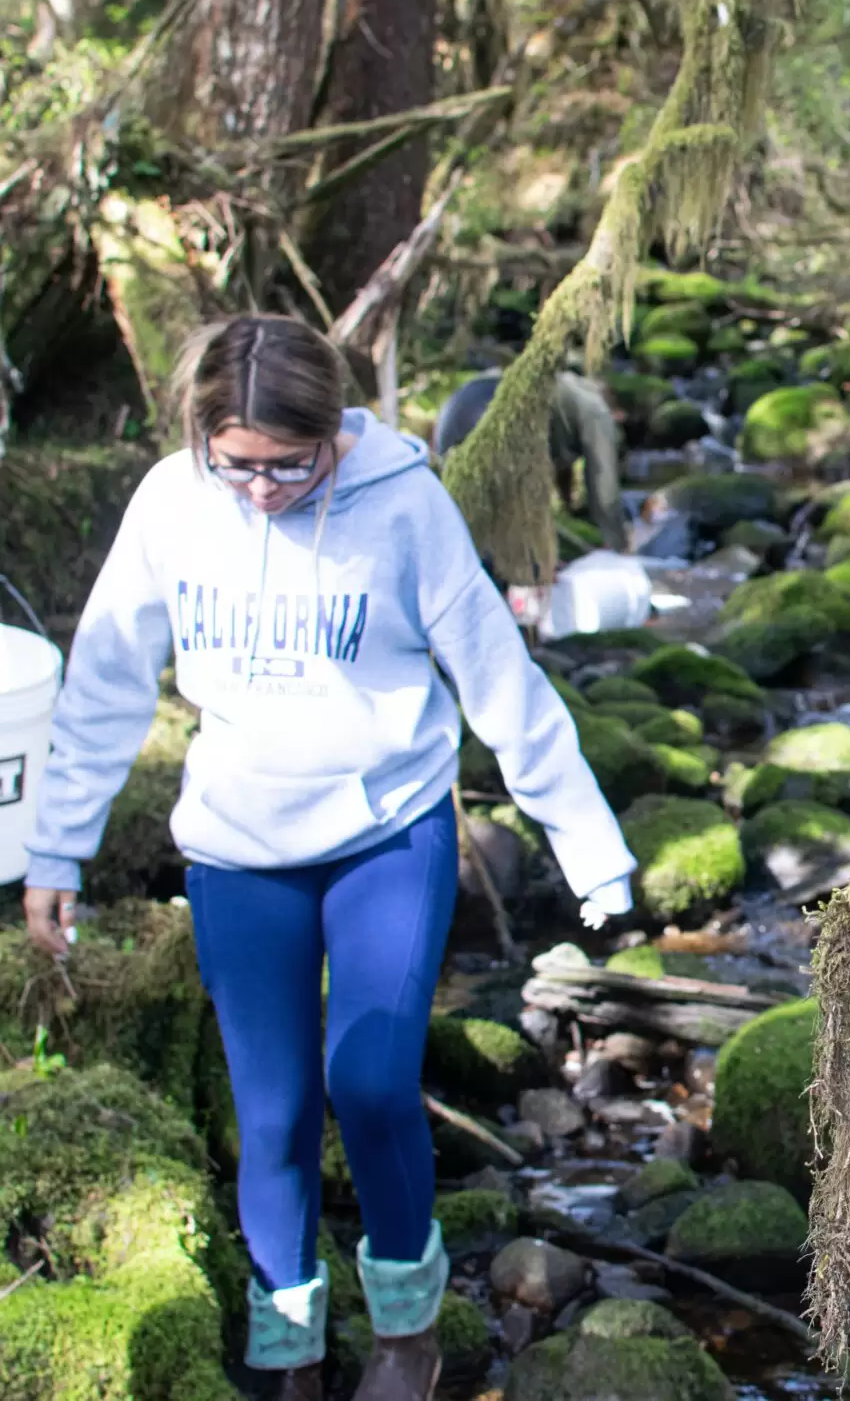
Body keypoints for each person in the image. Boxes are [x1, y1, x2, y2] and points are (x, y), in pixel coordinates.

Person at [19, 316, 637, 1401]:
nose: (261, 488)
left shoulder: (403, 506)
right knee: (271, 1109)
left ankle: (405, 1327)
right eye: (238, 465)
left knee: (370, 1079)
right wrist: (56, 850)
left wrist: (591, 849)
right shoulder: (170, 503)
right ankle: (288, 1338)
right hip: (238, 853)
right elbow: (108, 682)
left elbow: (498, 678)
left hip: (385, 836)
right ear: (204, 437)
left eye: (289, 465)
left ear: (335, 437)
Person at [433, 370, 629, 552]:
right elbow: (605, 487)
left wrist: (567, 506)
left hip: (458, 410)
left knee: (460, 520)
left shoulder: (567, 391)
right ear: (618, 413)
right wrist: (618, 547)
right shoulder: (596, 410)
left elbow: (562, 462)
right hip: (497, 420)